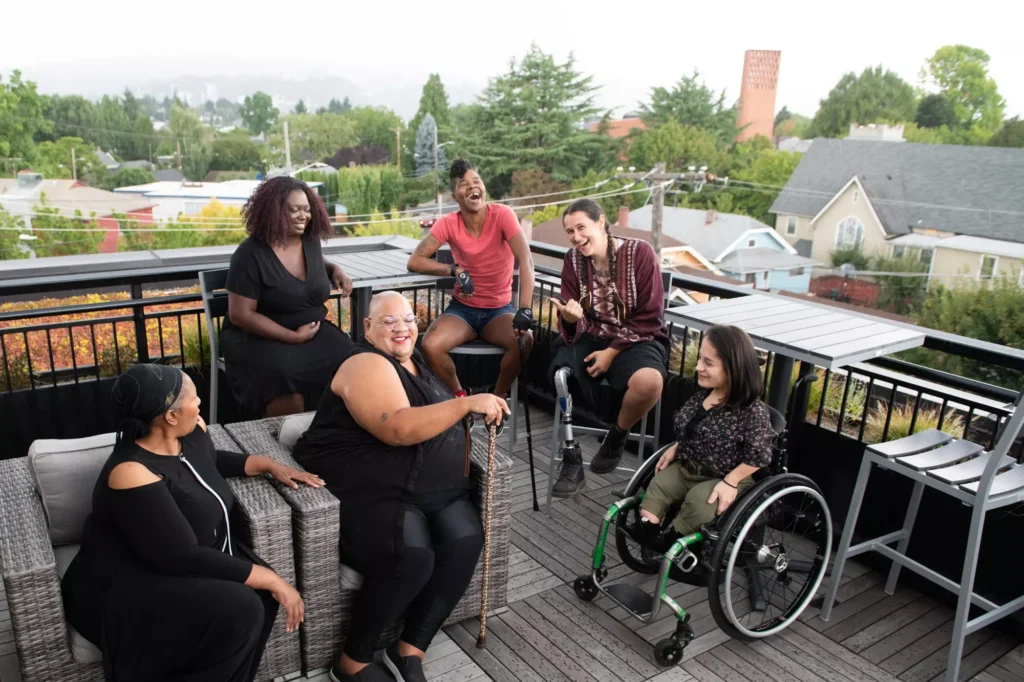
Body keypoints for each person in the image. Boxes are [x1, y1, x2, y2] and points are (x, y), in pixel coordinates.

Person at [292, 291, 509, 682]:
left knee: (465, 538)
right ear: (368, 328)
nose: (401, 327)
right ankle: (352, 662)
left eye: (408, 318)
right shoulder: (364, 362)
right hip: (370, 486)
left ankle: (409, 647)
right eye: (388, 320)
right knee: (412, 555)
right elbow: (397, 428)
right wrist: (466, 404)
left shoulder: (417, 363)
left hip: (430, 487)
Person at [61, 364, 321, 682]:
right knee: (245, 605)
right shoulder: (130, 471)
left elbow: (207, 461)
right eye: (194, 397)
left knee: (259, 600)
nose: (200, 403)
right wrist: (272, 578)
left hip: (182, 560)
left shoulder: (190, 432)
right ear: (170, 416)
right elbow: (180, 555)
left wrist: (266, 464)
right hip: (126, 584)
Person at [548, 198, 669, 496]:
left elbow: (650, 314)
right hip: (591, 333)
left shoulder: (640, 252)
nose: (576, 237)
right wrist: (569, 317)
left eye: (581, 227)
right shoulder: (572, 260)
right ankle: (571, 455)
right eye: (570, 231)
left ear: (600, 221)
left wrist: (611, 352)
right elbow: (571, 310)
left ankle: (616, 436)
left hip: (636, 336)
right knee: (560, 375)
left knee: (650, 381)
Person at [220, 175, 354, 418]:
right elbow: (241, 315)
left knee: (350, 356)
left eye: (307, 209)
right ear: (273, 211)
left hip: (309, 330)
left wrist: (336, 270)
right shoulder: (249, 254)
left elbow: (316, 263)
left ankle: (333, 432)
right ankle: (284, 442)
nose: (303, 216)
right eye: (294, 210)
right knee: (282, 374)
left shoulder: (310, 241)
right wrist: (292, 338)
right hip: (257, 336)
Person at [636, 325, 776, 553]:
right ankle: (649, 534)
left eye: (708, 363)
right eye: (701, 358)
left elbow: (759, 456)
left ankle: (672, 540)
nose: (699, 367)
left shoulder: (753, 412)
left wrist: (731, 481)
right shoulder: (704, 394)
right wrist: (677, 446)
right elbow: (691, 427)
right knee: (658, 486)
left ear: (733, 369)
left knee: (700, 503)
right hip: (688, 467)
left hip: (725, 476)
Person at [406, 158, 536, 400]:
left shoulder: (503, 215)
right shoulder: (448, 223)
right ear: (455, 196)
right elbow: (415, 261)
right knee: (430, 345)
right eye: (464, 184)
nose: (472, 186)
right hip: (463, 310)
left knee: (524, 340)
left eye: (476, 181)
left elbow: (526, 260)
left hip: (499, 311)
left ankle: (497, 399)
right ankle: (460, 399)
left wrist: (526, 309)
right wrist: (455, 271)